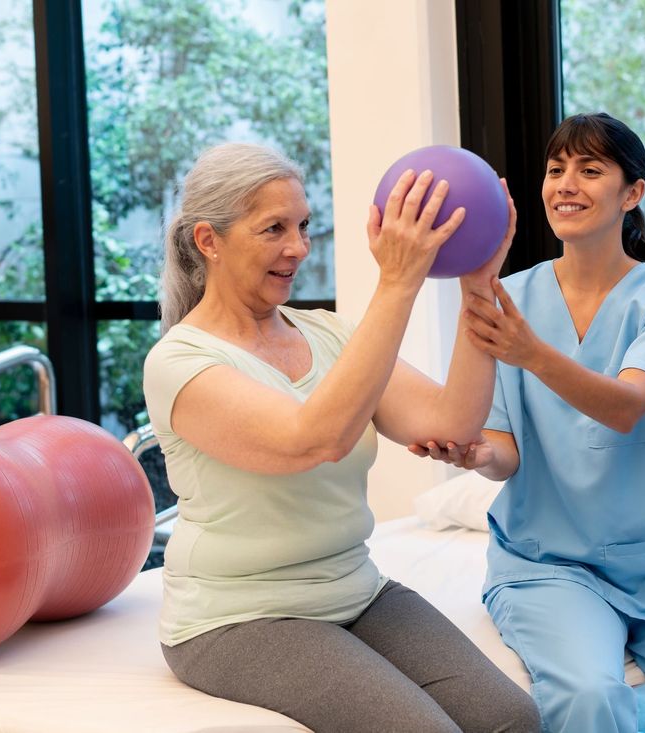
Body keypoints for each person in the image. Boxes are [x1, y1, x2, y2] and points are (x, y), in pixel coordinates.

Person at [141, 142, 539, 733]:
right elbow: (312, 439)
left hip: (355, 589)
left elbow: (453, 420)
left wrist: (477, 283)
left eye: (302, 225)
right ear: (209, 241)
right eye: (274, 228)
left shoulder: (327, 334)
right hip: (239, 618)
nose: (298, 247)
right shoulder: (180, 362)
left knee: (511, 718)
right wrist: (398, 283)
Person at [412, 113, 645, 732]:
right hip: (552, 566)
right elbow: (505, 450)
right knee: (589, 697)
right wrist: (470, 454)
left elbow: (627, 406)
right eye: (555, 170)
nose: (565, 184)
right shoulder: (507, 301)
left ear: (633, 193)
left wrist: (530, 352)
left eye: (590, 169)